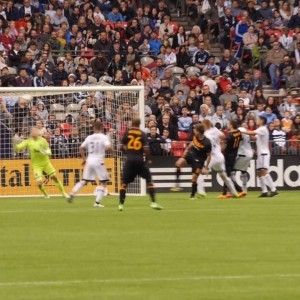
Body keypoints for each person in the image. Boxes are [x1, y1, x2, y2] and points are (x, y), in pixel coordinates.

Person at [119, 118, 162, 211]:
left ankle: (121, 205)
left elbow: (120, 147)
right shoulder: (142, 134)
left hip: (129, 161)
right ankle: (153, 203)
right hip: (139, 160)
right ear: (139, 124)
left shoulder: (127, 133)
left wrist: (128, 153)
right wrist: (148, 159)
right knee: (149, 181)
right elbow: (146, 149)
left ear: (132, 124)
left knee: (124, 183)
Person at [15, 127, 70, 199]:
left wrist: (45, 152)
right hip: (36, 165)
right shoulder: (28, 141)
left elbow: (49, 151)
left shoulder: (43, 140)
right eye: (32, 131)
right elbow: (19, 147)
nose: (33, 133)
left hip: (46, 163)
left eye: (35, 131)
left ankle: (64, 193)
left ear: (38, 132)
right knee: (39, 183)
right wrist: (14, 144)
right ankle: (46, 194)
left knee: (54, 177)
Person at [69, 121, 112, 207]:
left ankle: (72, 193)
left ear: (93, 128)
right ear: (102, 128)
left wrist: (84, 159)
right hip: (99, 161)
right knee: (104, 182)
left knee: (85, 181)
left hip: (89, 160)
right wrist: (112, 151)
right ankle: (97, 203)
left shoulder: (89, 137)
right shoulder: (104, 137)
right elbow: (108, 147)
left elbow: (81, 148)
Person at [197, 120, 240, 198]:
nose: (202, 126)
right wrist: (217, 139)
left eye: (203, 124)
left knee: (200, 172)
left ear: (206, 125)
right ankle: (235, 193)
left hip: (212, 157)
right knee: (224, 176)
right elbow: (223, 136)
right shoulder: (215, 130)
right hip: (220, 156)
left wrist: (206, 166)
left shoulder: (205, 135)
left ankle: (201, 191)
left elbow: (205, 147)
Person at [172, 123, 212, 200]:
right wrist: (187, 150)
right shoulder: (195, 136)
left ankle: (192, 195)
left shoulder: (207, 142)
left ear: (199, 131)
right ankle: (177, 185)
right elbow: (192, 143)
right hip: (191, 155)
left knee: (194, 179)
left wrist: (206, 167)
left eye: (195, 130)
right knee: (178, 164)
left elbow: (209, 155)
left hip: (199, 161)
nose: (193, 131)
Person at [241, 116, 278, 197]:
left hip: (264, 153)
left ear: (262, 121)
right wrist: (247, 135)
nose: (257, 120)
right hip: (260, 154)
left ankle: (273, 189)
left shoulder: (263, 129)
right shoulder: (260, 129)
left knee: (264, 171)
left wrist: (243, 131)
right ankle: (264, 191)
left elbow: (253, 133)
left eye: (258, 119)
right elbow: (255, 138)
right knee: (259, 172)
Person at [220, 120, 244, 198]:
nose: (227, 126)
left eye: (228, 124)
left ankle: (239, 190)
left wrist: (219, 149)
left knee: (227, 175)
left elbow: (224, 147)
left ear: (231, 125)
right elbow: (241, 139)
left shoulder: (229, 135)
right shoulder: (239, 132)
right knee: (227, 174)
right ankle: (225, 192)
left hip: (227, 156)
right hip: (234, 155)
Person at [232, 122, 254, 194]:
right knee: (243, 171)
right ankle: (244, 190)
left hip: (243, 154)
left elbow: (238, 138)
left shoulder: (240, 130)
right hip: (248, 154)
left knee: (232, 171)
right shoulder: (246, 131)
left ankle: (234, 189)